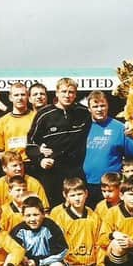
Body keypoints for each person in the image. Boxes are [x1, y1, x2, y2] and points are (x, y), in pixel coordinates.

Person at [26, 78, 91, 206]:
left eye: (71, 92)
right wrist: (40, 159)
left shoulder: (83, 113)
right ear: (56, 93)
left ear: (76, 94)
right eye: (64, 91)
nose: (67, 95)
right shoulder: (44, 114)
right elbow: (30, 144)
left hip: (76, 170)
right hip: (53, 171)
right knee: (54, 208)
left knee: (78, 206)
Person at [83, 90, 133, 208]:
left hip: (112, 186)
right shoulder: (83, 128)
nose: (99, 109)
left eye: (102, 105)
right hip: (87, 185)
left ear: (107, 106)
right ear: (89, 109)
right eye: (95, 106)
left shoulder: (119, 128)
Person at [49, 178, 105, 266]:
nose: (77, 198)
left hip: (90, 265)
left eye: (80, 194)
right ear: (66, 197)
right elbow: (57, 245)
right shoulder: (61, 217)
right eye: (73, 195)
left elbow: (99, 243)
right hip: (71, 265)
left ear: (86, 194)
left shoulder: (93, 216)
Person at [10, 196, 68, 266]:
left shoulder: (51, 227)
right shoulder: (18, 230)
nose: (32, 219)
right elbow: (12, 250)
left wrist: (38, 262)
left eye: (36, 215)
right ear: (23, 216)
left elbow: (62, 250)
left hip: (46, 264)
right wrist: (23, 259)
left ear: (43, 214)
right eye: (28, 215)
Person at [0, 83, 35, 167]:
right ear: (10, 98)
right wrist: (7, 166)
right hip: (11, 165)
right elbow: (0, 150)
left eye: (23, 95)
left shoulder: (36, 117)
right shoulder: (2, 121)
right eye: (16, 95)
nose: (20, 98)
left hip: (32, 163)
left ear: (28, 96)